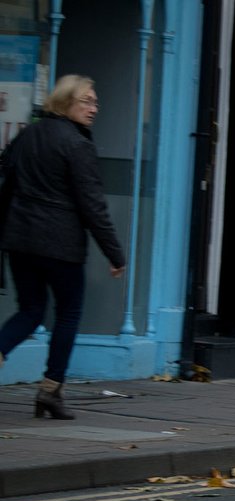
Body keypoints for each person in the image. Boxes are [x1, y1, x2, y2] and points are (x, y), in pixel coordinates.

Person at [0, 75, 126, 420]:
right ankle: (50, 391)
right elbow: (92, 205)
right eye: (86, 101)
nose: (94, 108)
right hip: (59, 246)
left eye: (95, 102)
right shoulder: (77, 144)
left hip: (21, 241)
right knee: (68, 313)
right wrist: (114, 253)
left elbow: (6, 182)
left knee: (30, 310)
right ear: (66, 101)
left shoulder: (28, 134)